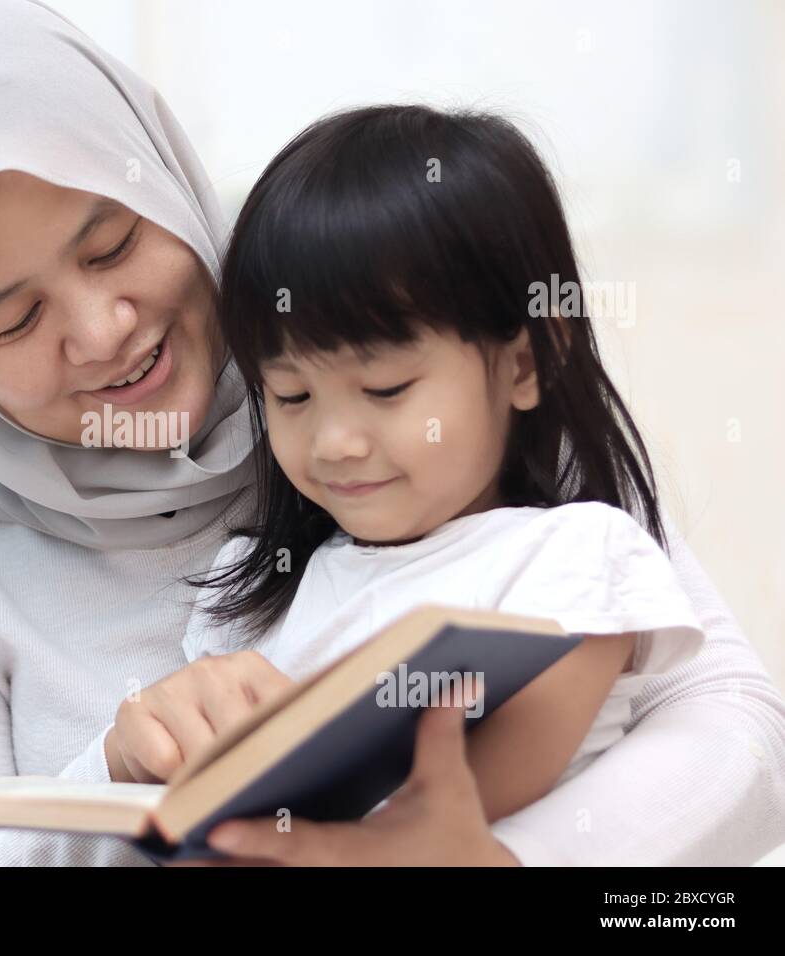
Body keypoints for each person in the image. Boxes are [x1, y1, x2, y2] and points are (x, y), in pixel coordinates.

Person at [0, 0, 785, 866]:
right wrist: (111, 775)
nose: (102, 329)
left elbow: (737, 735)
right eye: (13, 319)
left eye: (114, 243)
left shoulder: (399, 363)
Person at [176, 103, 707, 836]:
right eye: (292, 395)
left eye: (386, 389)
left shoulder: (573, 559)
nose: (334, 441)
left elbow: (446, 820)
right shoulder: (254, 594)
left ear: (527, 362)